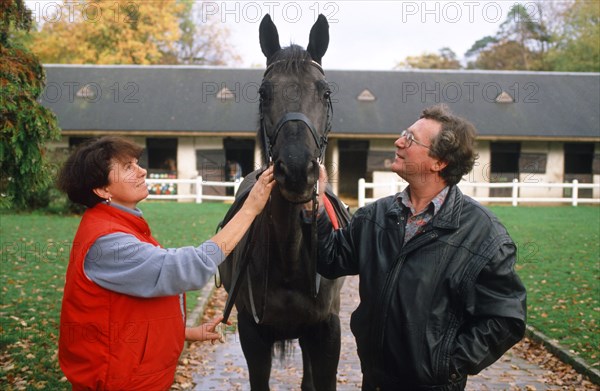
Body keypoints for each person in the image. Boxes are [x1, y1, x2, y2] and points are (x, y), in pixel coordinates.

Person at [313, 105, 527, 390]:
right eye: (404, 135)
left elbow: (505, 317)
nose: (398, 142)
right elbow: (330, 259)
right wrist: (313, 207)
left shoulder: (484, 235)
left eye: (410, 138)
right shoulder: (374, 217)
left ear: (439, 162)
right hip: (375, 381)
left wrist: (448, 365)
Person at [56, 136, 275, 391]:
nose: (142, 170)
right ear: (102, 190)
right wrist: (249, 209)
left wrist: (184, 332)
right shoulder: (108, 243)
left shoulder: (120, 227)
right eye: (128, 167)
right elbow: (187, 269)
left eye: (137, 163)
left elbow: (128, 311)